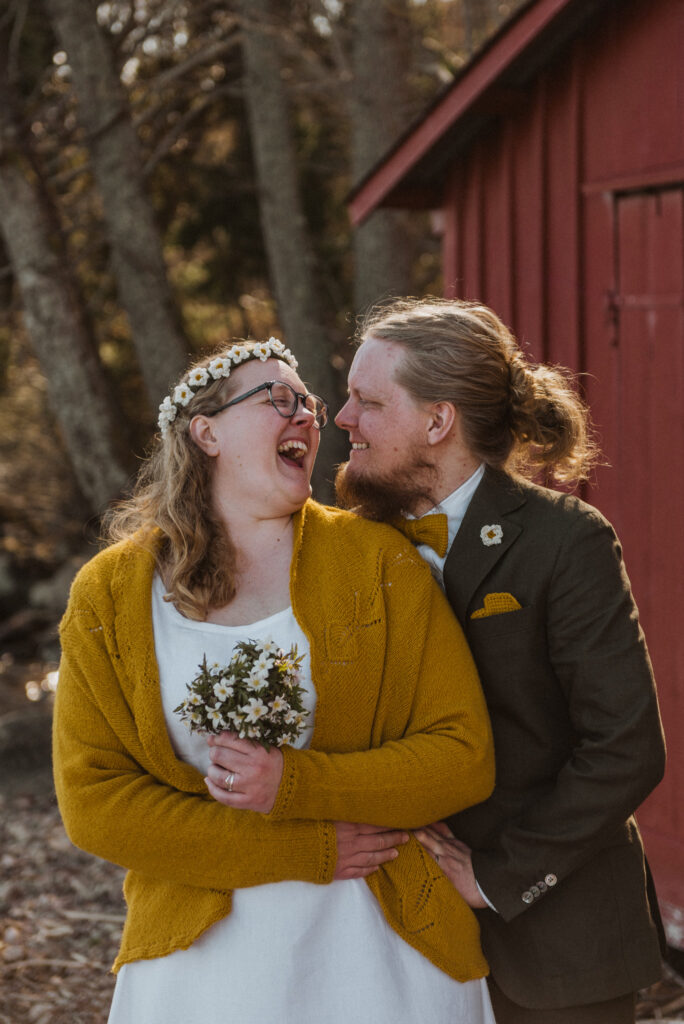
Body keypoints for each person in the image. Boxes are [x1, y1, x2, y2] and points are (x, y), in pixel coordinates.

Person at [52, 336, 497, 1024]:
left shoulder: (380, 561)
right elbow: (94, 802)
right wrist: (302, 846)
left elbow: (463, 757)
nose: (308, 418)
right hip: (201, 969)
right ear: (206, 433)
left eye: (310, 405)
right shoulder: (111, 594)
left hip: (385, 954)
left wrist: (297, 784)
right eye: (278, 400)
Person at [334, 297, 666, 1024]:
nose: (342, 419)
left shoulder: (565, 541)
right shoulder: (342, 545)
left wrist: (497, 877)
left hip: (555, 936)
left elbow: (626, 747)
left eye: (366, 401)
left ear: (437, 420)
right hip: (387, 935)